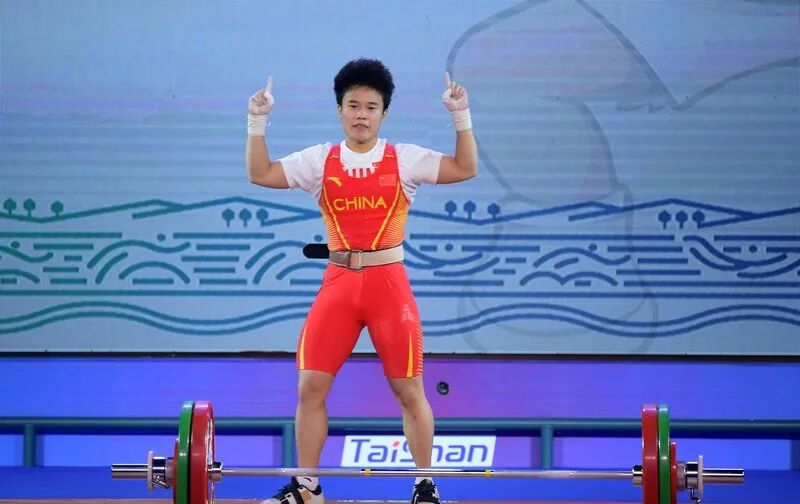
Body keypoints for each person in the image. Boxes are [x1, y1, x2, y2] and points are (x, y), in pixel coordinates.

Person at [246, 58, 477, 504]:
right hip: (339, 286)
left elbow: (465, 168)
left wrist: (460, 115)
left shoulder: (404, 159)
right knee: (309, 387)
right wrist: (257, 121)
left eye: (371, 107)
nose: (361, 115)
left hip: (388, 287)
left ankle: (424, 485)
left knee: (409, 390)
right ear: (340, 110)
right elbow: (261, 173)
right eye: (353, 105)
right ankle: (307, 487)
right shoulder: (320, 161)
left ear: (383, 114)